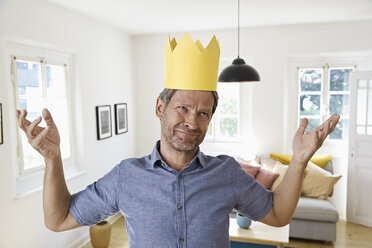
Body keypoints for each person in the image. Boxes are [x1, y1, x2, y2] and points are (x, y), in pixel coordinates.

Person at [16, 33, 339, 248]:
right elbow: (57, 219)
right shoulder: (126, 177)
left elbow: (278, 215)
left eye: (203, 113)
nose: (191, 121)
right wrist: (53, 159)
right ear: (160, 107)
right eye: (182, 107)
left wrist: (299, 161)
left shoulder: (226, 173)